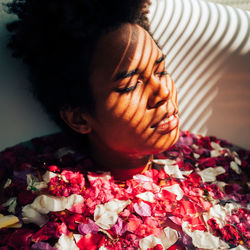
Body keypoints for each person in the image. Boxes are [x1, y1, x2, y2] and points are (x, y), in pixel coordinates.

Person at [0, 0, 249, 249]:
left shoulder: (216, 159)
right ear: (79, 118)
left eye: (161, 71)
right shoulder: (35, 197)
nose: (162, 92)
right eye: (130, 85)